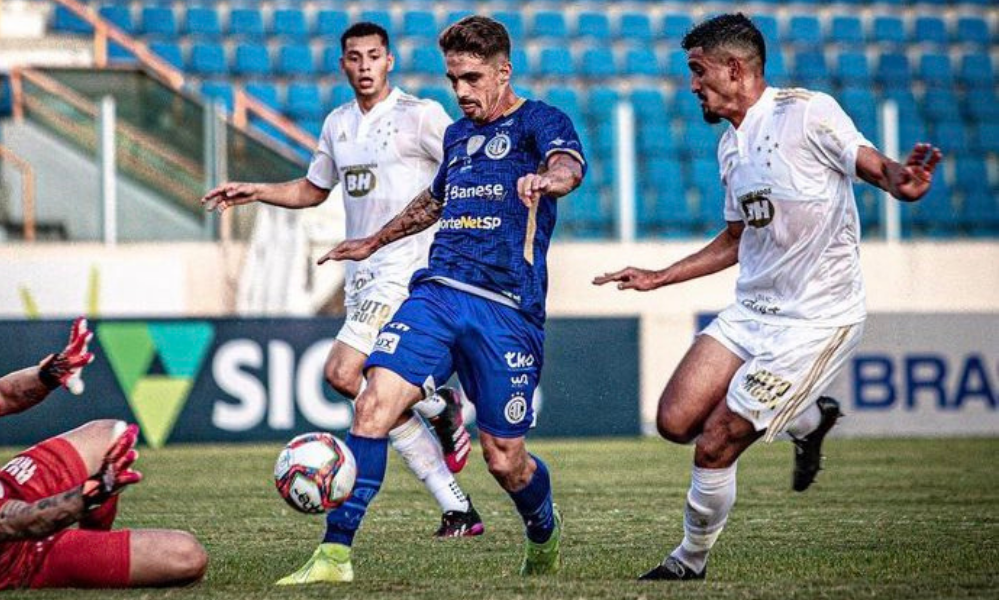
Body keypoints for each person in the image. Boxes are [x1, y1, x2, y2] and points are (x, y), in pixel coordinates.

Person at [593, 13, 942, 581]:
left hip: (815, 320)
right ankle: (809, 421)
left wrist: (899, 181)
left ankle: (689, 561)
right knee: (674, 421)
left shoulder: (806, 112)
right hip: (752, 310)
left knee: (714, 444)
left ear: (735, 69)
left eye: (698, 71)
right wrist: (661, 276)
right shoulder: (730, 147)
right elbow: (736, 239)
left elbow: (870, 161)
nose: (692, 85)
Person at [275, 15, 586, 584]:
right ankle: (334, 556)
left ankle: (543, 527)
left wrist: (551, 181)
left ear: (502, 71)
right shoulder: (457, 136)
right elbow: (433, 200)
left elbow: (568, 165)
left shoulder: (541, 121)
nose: (462, 92)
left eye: (471, 78)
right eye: (453, 80)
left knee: (504, 459)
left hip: (506, 310)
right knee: (372, 403)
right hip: (437, 294)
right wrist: (373, 240)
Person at [202, 22, 482, 537]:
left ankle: (435, 419)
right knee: (360, 386)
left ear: (389, 60)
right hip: (362, 274)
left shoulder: (419, 117)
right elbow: (314, 189)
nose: (365, 66)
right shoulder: (337, 124)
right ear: (343, 64)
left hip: (407, 273)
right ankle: (454, 492)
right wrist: (255, 191)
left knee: (341, 371)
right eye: (354, 57)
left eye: (374, 56)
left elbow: (465, 169)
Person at [0, 319, 208, 590]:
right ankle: (81, 554)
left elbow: (0, 394)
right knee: (188, 556)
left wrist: (49, 373)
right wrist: (89, 495)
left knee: (111, 435)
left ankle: (93, 546)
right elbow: (21, 521)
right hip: (11, 559)